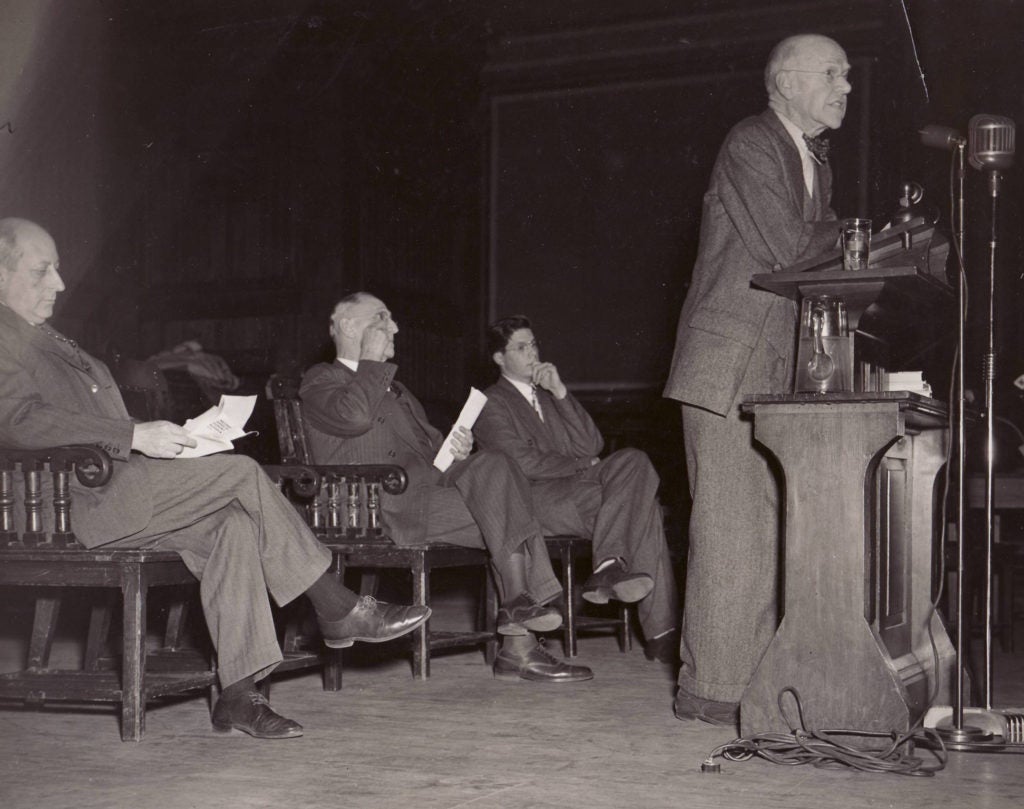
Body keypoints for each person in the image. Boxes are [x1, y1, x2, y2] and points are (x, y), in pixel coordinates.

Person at [0, 218, 431, 739]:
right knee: (242, 474)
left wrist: (174, 437)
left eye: (60, 269)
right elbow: (16, 419)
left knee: (234, 524)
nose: (60, 284)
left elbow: (91, 427)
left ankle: (238, 694)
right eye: (42, 271)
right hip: (60, 504)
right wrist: (133, 437)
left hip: (113, 489)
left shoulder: (48, 340)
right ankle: (337, 606)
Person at [662, 34, 852, 726]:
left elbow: (820, 247)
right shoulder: (751, 142)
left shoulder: (811, 161)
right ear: (787, 81)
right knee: (730, 525)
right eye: (832, 73)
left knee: (771, 526)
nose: (846, 86)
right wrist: (865, 241)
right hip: (729, 363)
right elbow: (787, 249)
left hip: (779, 367)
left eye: (849, 74)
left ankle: (757, 677)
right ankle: (710, 690)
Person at [299, 292, 593, 683]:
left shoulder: (397, 389)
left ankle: (517, 608)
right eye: (382, 318)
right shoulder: (322, 378)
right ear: (348, 326)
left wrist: (457, 450)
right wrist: (369, 362)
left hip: (426, 493)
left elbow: (434, 455)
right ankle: (519, 639)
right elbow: (352, 419)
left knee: (496, 465)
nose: (395, 327)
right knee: (511, 513)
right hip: (376, 505)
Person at [475, 315, 679, 664]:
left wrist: (561, 392)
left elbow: (591, 443)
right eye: (521, 347)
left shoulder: (551, 397)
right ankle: (662, 631)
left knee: (634, 460)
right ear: (499, 358)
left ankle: (608, 567)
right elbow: (523, 463)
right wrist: (584, 466)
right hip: (534, 501)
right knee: (641, 506)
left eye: (534, 344)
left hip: (574, 494)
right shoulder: (490, 402)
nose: (532, 353)